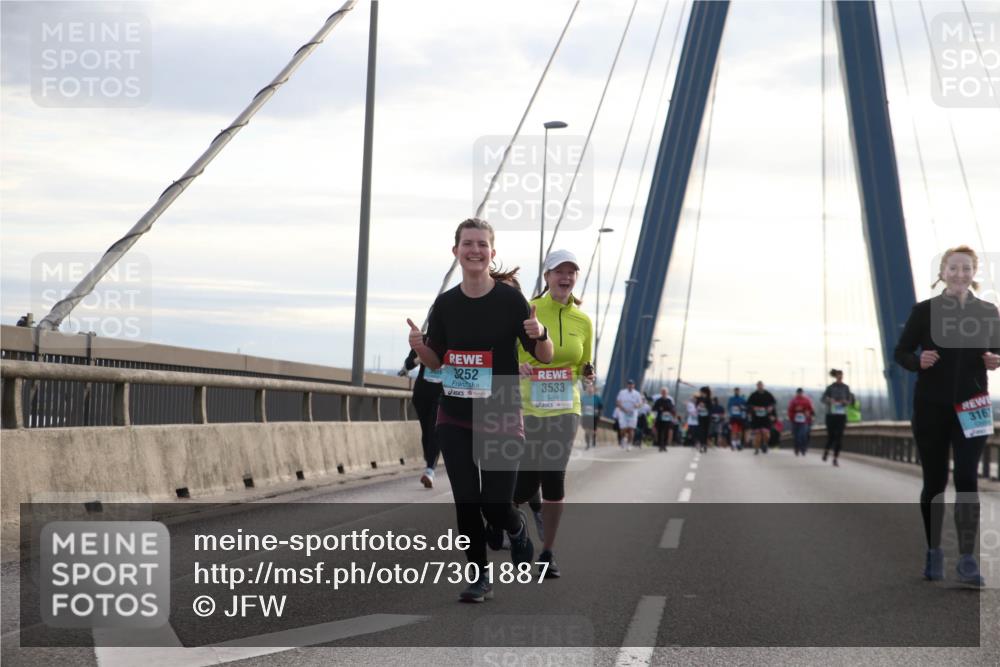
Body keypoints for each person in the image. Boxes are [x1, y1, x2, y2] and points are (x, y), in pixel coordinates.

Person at [407, 218, 554, 602]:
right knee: (467, 502)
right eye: (467, 244)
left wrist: (543, 335)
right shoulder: (446, 304)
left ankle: (516, 527)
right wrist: (419, 345)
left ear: (492, 252)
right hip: (455, 416)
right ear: (455, 251)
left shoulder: (510, 301)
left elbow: (542, 354)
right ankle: (479, 578)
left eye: (482, 244)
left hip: (501, 413)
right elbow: (436, 363)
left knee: (496, 505)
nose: (475, 250)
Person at [894, 245, 1000, 586]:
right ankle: (934, 550)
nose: (960, 274)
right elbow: (901, 352)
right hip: (931, 408)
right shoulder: (924, 311)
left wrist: (995, 359)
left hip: (974, 407)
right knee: (935, 482)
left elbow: (997, 350)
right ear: (942, 272)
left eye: (966, 268)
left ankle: (968, 560)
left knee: (967, 478)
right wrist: (916, 361)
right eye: (953, 268)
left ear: (974, 272)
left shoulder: (988, 311)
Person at [515, 249, 594, 580]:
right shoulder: (530, 310)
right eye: (559, 271)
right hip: (528, 406)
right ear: (546, 277)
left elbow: (583, 364)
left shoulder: (583, 320)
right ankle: (512, 521)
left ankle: (547, 551)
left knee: (554, 476)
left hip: (565, 407)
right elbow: (507, 350)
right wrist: (515, 366)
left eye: (571, 272)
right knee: (525, 481)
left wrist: (588, 375)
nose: (566, 277)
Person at [401, 348, 443, 487]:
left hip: (441, 395)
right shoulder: (422, 342)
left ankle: (430, 470)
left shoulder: (451, 340)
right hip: (422, 395)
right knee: (426, 433)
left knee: (435, 431)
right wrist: (420, 358)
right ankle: (429, 461)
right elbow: (408, 365)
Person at [821, 369, 854, 466]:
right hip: (831, 415)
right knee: (831, 437)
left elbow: (851, 400)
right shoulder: (830, 388)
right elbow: (823, 398)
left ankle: (835, 458)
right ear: (835, 376)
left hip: (841, 416)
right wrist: (829, 400)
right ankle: (826, 451)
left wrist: (846, 402)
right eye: (838, 375)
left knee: (839, 437)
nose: (840, 377)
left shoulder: (846, 388)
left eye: (841, 375)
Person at [746, 381, 776, 455]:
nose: (760, 386)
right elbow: (748, 405)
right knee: (758, 435)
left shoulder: (768, 394)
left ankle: (765, 444)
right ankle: (756, 449)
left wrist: (771, 408)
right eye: (758, 385)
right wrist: (753, 408)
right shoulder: (753, 395)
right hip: (756, 418)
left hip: (766, 418)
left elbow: (773, 403)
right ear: (757, 386)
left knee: (766, 434)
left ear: (763, 386)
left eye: (761, 385)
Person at [787, 388, 815, 456]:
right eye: (798, 393)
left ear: (802, 393)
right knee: (796, 436)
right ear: (797, 393)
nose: (800, 394)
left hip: (804, 421)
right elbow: (790, 411)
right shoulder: (793, 401)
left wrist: (808, 413)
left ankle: (803, 449)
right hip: (795, 421)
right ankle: (797, 448)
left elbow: (811, 410)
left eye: (801, 393)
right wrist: (794, 415)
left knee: (803, 435)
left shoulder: (807, 400)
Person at [616, 380, 643, 450]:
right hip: (623, 412)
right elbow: (618, 402)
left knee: (631, 429)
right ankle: (623, 439)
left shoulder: (637, 394)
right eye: (629, 384)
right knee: (623, 429)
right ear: (627, 385)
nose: (630, 385)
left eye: (632, 384)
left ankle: (629, 444)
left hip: (633, 413)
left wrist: (637, 405)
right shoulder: (622, 392)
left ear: (634, 385)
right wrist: (624, 409)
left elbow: (640, 403)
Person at [581, 382, 603, 450]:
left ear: (594, 389)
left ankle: (593, 439)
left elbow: (601, 407)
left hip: (594, 416)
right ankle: (587, 444)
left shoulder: (597, 398)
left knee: (593, 431)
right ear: (587, 389)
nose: (590, 389)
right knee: (587, 430)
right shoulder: (583, 397)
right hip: (586, 415)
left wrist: (599, 413)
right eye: (588, 388)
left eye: (591, 388)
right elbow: (580, 405)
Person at [695, 387, 712, 453]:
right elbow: (696, 406)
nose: (700, 393)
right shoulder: (699, 399)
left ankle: (705, 444)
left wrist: (704, 405)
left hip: (707, 417)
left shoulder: (709, 399)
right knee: (701, 431)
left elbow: (710, 407)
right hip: (700, 416)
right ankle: (702, 444)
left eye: (701, 392)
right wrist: (699, 405)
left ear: (705, 392)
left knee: (706, 431)